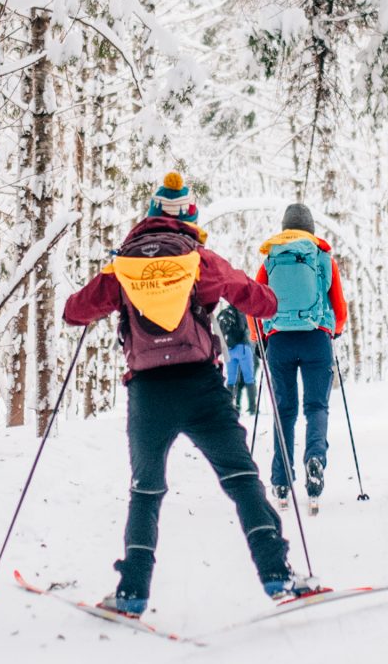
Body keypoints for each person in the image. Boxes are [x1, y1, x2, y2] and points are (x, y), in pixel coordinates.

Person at [61, 173, 314, 614]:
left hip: (147, 393)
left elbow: (74, 312)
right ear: (189, 218)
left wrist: (116, 284)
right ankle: (278, 576)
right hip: (200, 386)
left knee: (146, 490)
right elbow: (261, 302)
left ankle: (132, 593)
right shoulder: (199, 259)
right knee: (241, 480)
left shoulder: (123, 265)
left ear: (150, 216)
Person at [255, 202, 347, 509]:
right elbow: (339, 305)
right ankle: (315, 458)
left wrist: (259, 339)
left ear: (284, 229)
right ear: (310, 229)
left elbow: (255, 302)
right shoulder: (322, 257)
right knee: (316, 406)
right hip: (316, 339)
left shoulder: (270, 259)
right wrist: (335, 329)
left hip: (279, 341)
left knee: (284, 411)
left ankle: (281, 482)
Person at [218, 301, 258, 417]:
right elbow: (248, 328)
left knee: (231, 379)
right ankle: (252, 407)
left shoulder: (224, 313)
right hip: (243, 348)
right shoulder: (243, 313)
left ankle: (231, 406)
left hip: (230, 349)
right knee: (249, 378)